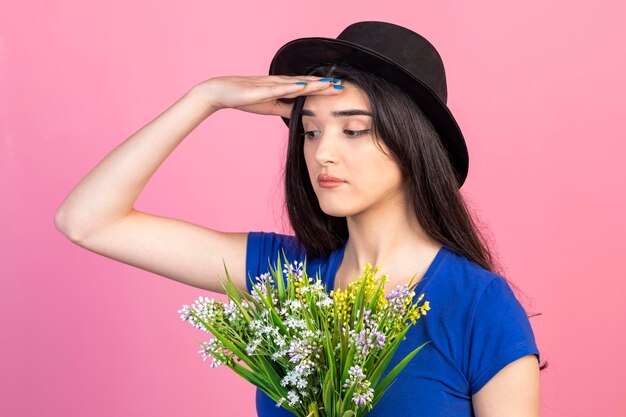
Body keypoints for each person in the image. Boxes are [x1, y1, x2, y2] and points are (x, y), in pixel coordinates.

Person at [55, 21, 544, 417]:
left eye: (353, 131)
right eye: (310, 132)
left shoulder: (479, 306)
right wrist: (203, 99)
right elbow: (88, 221)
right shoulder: (284, 273)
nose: (322, 153)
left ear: (412, 146)